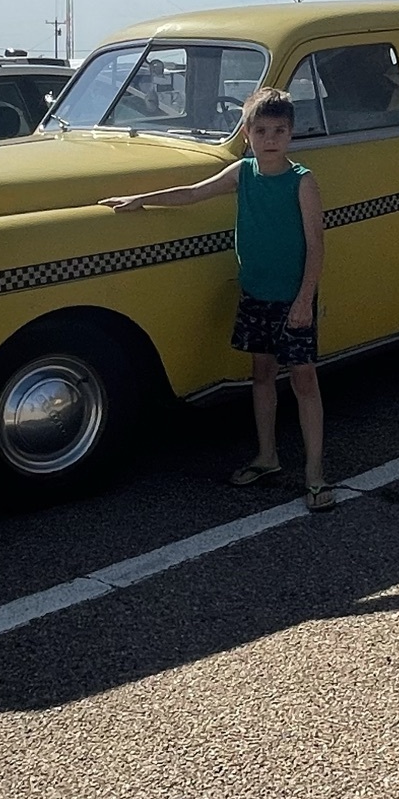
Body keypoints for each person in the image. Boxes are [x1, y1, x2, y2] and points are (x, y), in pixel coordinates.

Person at [100, 87, 332, 511]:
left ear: (291, 134)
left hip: (293, 299)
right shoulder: (243, 173)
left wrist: (304, 301)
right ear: (247, 134)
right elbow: (192, 193)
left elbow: (316, 247)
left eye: (279, 130)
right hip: (256, 295)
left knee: (304, 380)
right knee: (261, 375)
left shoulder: (303, 181)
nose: (270, 139)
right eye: (261, 130)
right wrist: (140, 201)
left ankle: (315, 474)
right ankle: (267, 457)